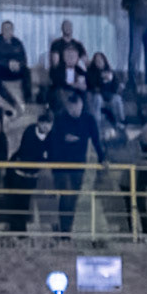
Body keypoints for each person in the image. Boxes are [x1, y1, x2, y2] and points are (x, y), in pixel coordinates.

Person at [48, 92, 107, 233]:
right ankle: (64, 230)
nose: (75, 110)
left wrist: (102, 158)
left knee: (73, 197)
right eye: (72, 108)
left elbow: (96, 140)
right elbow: (53, 142)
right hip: (61, 165)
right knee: (66, 195)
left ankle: (67, 228)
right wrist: (63, 139)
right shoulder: (60, 118)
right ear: (68, 107)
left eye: (77, 107)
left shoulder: (89, 119)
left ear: (81, 105)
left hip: (79, 164)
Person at [0, 21, 29, 105]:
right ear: (1, 30)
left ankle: (28, 99)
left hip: (15, 70)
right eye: (5, 29)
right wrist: (7, 64)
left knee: (27, 71)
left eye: (9, 29)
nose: (7, 31)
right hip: (2, 70)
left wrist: (18, 65)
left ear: (13, 30)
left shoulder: (17, 42)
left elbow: (24, 59)